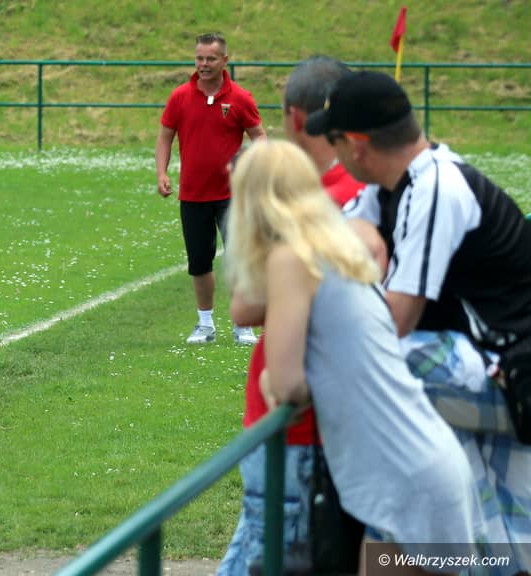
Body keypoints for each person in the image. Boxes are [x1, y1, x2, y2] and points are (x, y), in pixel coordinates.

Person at [306, 69, 531, 573]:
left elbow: (396, 321)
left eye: (334, 141)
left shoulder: (437, 188)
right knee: (499, 541)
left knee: (365, 360)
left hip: (509, 377)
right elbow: (340, 230)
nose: (333, 154)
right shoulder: (393, 185)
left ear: (357, 145)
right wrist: (359, 231)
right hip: (484, 371)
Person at [226, 140, 483, 572]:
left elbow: (287, 385)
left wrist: (273, 380)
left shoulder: (293, 258)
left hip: (403, 477)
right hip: (423, 465)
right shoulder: (335, 247)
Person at [218, 56, 366, 576]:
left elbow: (244, 304)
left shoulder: (320, 203)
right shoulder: (367, 193)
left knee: (272, 555)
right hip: (338, 426)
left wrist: (252, 209)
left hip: (297, 431)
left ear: (296, 118)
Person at [155, 32, 266, 346]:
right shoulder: (180, 97)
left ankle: (243, 324)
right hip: (193, 195)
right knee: (199, 262)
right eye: (199, 58)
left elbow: (260, 137)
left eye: (211, 58)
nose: (204, 64)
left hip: (233, 196)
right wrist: (161, 173)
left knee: (240, 258)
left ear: (224, 60)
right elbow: (165, 136)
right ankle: (205, 325)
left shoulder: (240, 98)